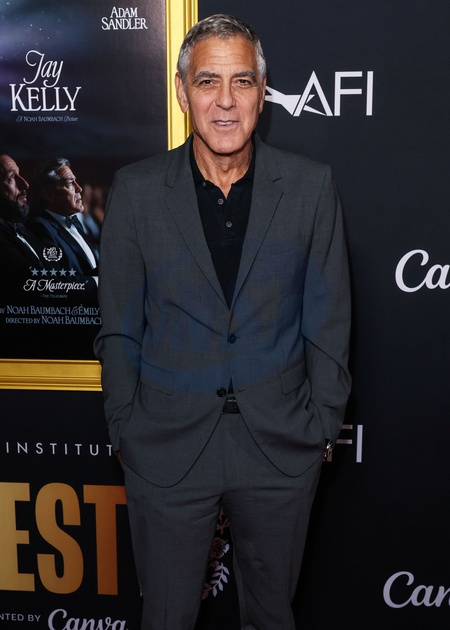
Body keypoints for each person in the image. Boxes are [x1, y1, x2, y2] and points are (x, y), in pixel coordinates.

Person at [94, 14, 351, 630]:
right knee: (166, 618)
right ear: (182, 92)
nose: (226, 101)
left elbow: (329, 318)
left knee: (271, 617)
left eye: (242, 81)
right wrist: (126, 428)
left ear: (262, 93)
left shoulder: (310, 187)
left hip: (279, 446)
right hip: (166, 446)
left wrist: (321, 426)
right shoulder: (136, 190)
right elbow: (119, 325)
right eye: (208, 81)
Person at [30, 158, 99, 280]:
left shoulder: (75, 222)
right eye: (69, 184)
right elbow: (57, 280)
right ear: (49, 194)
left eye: (76, 182)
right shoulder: (40, 228)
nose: (79, 188)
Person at [0, 154, 46, 280]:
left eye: (19, 174)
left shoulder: (22, 228)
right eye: (11, 177)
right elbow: (37, 282)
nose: (25, 184)